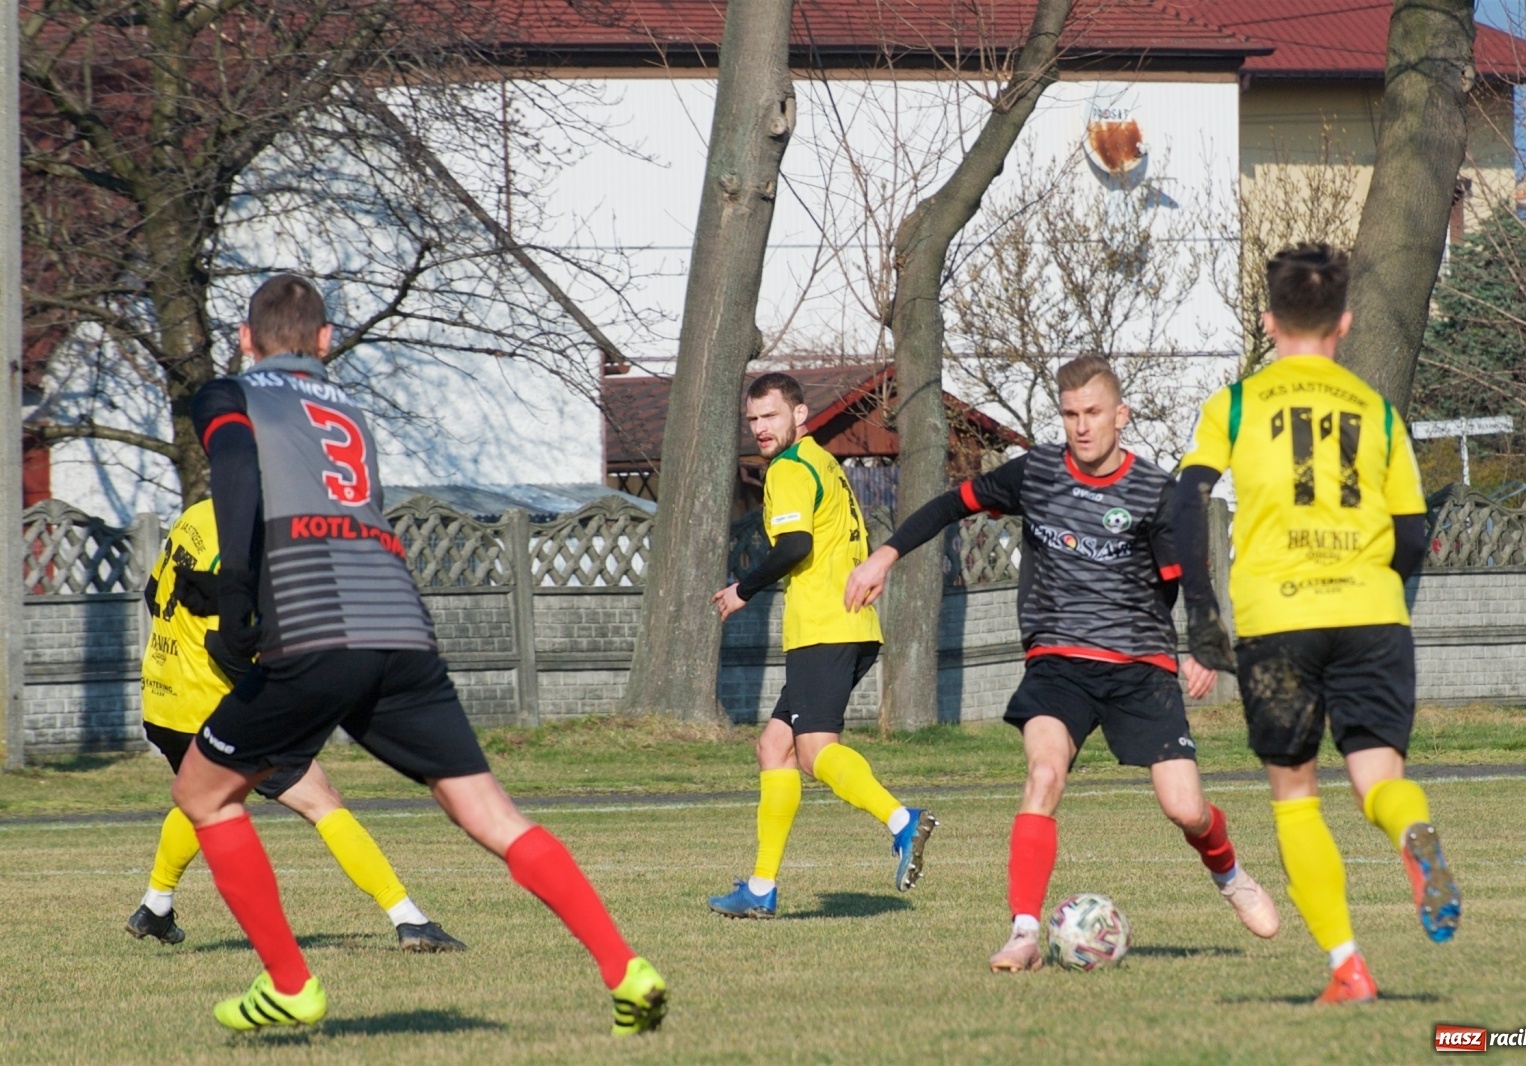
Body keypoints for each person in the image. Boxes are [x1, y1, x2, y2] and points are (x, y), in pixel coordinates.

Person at [171, 274, 666, 1034]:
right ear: (326, 342)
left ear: (245, 337)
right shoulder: (350, 411)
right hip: (401, 627)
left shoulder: (228, 393)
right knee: (489, 812)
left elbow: (238, 473)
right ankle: (624, 966)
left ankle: (291, 984)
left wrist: (235, 588)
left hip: (316, 632)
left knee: (204, 795)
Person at [845, 355, 1280, 973]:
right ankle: (1024, 932)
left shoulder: (1155, 492)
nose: (1081, 426)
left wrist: (1204, 644)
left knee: (1185, 808)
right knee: (1043, 776)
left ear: (1120, 416)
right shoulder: (1037, 474)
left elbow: (1190, 575)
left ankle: (1230, 874)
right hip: (1058, 662)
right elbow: (951, 505)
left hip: (1140, 666)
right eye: (1071, 414)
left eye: (1093, 413)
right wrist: (883, 557)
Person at [1172, 243, 1459, 1005]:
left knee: (1295, 795)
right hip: (1371, 613)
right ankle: (1410, 836)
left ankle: (1347, 966)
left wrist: (1203, 617)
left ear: (1269, 322)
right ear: (1345, 323)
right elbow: (1411, 536)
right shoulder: (1379, 411)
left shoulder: (1235, 405)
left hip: (1280, 621)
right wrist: (1369, 591)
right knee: (1378, 778)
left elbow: (1185, 500)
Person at [128, 497, 464, 953]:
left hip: (165, 698)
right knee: (321, 800)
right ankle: (409, 919)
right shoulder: (248, 542)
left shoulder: (198, 515)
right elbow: (226, 647)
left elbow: (153, 594)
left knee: (205, 797)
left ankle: (155, 906)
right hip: (214, 704)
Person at [707, 372, 936, 919]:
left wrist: (743, 588)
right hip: (851, 627)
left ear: (799, 414)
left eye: (771, 417)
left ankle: (902, 820)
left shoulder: (788, 468)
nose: (761, 429)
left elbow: (794, 547)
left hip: (824, 628)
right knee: (774, 748)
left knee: (812, 751)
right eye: (754, 420)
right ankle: (761, 888)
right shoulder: (820, 460)